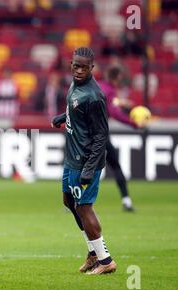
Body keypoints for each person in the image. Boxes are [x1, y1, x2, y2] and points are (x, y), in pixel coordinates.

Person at [51, 47, 117, 274]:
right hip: (72, 157)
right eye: (75, 65)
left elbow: (100, 136)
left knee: (84, 207)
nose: (78, 71)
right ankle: (92, 253)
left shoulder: (95, 96)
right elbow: (76, 111)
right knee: (69, 202)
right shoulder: (74, 86)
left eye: (83, 67)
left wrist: (90, 168)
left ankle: (106, 260)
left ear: (92, 68)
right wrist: (63, 117)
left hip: (85, 161)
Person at [99, 65, 142, 212]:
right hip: (101, 134)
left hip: (86, 134)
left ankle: (72, 202)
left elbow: (110, 102)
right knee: (115, 166)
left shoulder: (99, 86)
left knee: (82, 168)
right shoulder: (110, 91)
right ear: (117, 78)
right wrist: (134, 124)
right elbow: (114, 113)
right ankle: (126, 201)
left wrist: (121, 102)